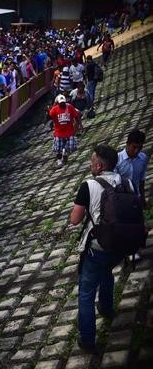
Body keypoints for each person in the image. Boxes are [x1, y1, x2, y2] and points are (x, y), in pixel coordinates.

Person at [69, 145, 125, 353]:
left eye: (92, 161)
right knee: (107, 272)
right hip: (119, 243)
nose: (90, 164)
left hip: (97, 246)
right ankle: (107, 308)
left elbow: (75, 220)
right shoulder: (123, 180)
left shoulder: (89, 185)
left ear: (99, 165)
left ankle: (87, 340)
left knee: (85, 293)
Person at [116, 129, 148, 208]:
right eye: (134, 147)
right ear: (127, 144)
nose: (136, 151)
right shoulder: (117, 160)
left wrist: (143, 200)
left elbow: (141, 180)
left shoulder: (143, 158)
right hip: (122, 200)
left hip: (136, 197)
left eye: (140, 148)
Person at [48, 95, 82, 168]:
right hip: (59, 132)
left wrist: (80, 125)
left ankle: (65, 151)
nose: (62, 104)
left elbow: (76, 116)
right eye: (60, 103)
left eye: (63, 103)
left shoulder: (70, 107)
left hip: (69, 131)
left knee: (72, 146)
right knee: (58, 148)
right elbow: (49, 117)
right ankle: (59, 161)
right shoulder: (54, 109)